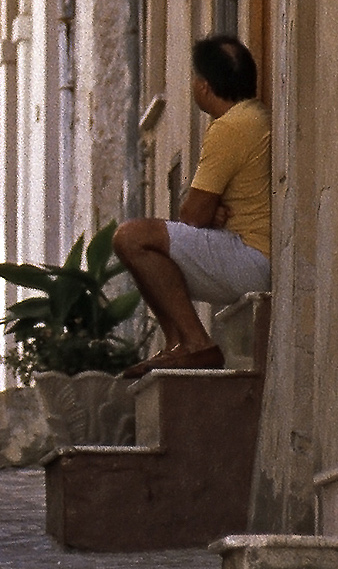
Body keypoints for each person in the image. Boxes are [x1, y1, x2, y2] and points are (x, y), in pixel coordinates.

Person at [114, 35, 271, 376]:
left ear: (203, 86)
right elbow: (203, 213)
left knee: (131, 237)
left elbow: (192, 215)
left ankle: (195, 343)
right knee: (148, 242)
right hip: (254, 254)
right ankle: (179, 345)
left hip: (250, 258)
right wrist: (209, 212)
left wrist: (206, 213)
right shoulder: (254, 116)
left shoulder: (229, 127)